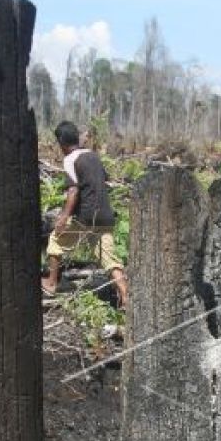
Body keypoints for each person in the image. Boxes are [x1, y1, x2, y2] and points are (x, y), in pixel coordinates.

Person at [43, 121, 129, 308]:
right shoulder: (93, 155)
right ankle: (125, 297)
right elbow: (103, 181)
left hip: (87, 217)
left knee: (56, 240)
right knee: (108, 258)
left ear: (61, 143)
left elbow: (73, 191)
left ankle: (50, 284)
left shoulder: (70, 159)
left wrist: (64, 217)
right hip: (105, 215)